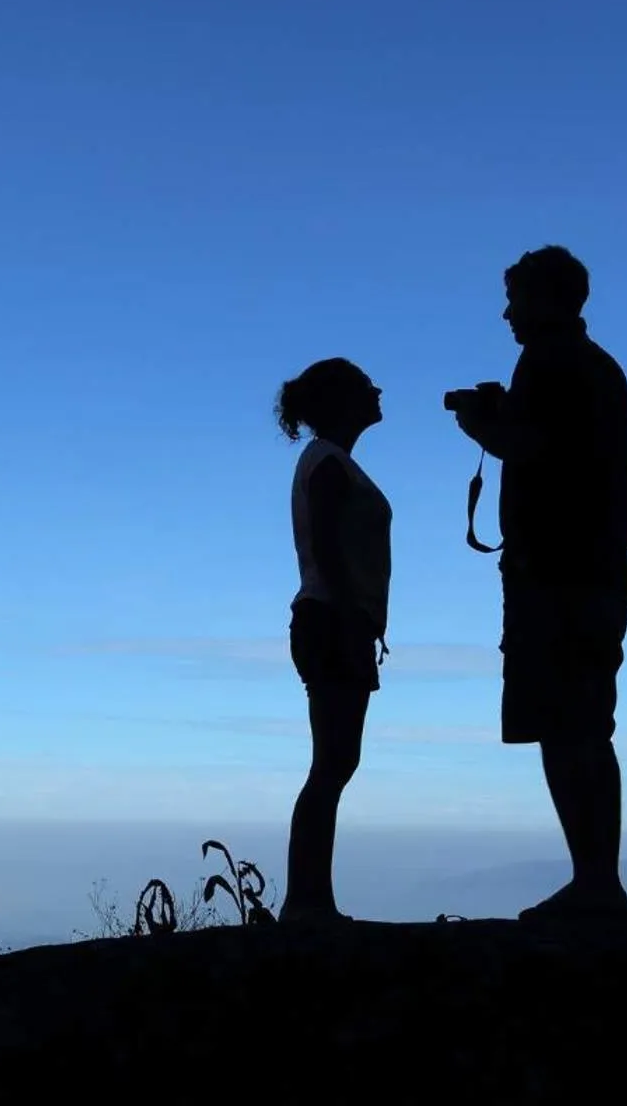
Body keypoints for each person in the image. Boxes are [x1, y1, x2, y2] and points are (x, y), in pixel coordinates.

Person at [450, 245, 627, 919]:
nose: (506, 313)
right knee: (581, 723)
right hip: (587, 571)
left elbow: (533, 447)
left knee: (569, 725)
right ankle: (597, 879)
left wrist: (480, 425)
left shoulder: (554, 361)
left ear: (548, 299)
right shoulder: (588, 365)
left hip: (561, 573)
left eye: (516, 299)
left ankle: (595, 883)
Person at [276, 357, 390, 923]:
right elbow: (325, 546)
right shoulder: (327, 462)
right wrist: (352, 620)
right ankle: (306, 902)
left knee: (336, 761)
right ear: (343, 401)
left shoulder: (330, 461)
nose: (378, 390)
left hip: (332, 619)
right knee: (333, 763)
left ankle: (310, 900)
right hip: (331, 620)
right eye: (366, 385)